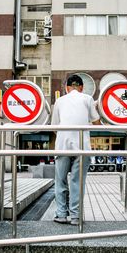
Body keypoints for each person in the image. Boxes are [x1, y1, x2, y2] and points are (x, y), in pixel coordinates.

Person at [51, 74, 101, 225]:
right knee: (77, 182)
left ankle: (61, 214)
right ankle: (76, 216)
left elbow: (54, 127)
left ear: (66, 88)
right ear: (82, 87)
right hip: (82, 146)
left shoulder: (59, 101)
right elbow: (97, 123)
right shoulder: (88, 99)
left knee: (60, 181)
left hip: (62, 146)